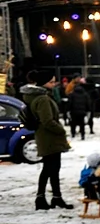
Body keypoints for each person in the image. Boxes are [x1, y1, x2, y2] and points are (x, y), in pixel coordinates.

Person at [21, 71, 74, 210]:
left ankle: (54, 197)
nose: (54, 84)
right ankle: (44, 198)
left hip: (45, 137)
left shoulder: (36, 97)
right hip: (49, 138)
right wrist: (61, 130)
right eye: (51, 82)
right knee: (50, 169)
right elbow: (48, 121)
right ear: (43, 83)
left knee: (51, 169)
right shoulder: (42, 98)